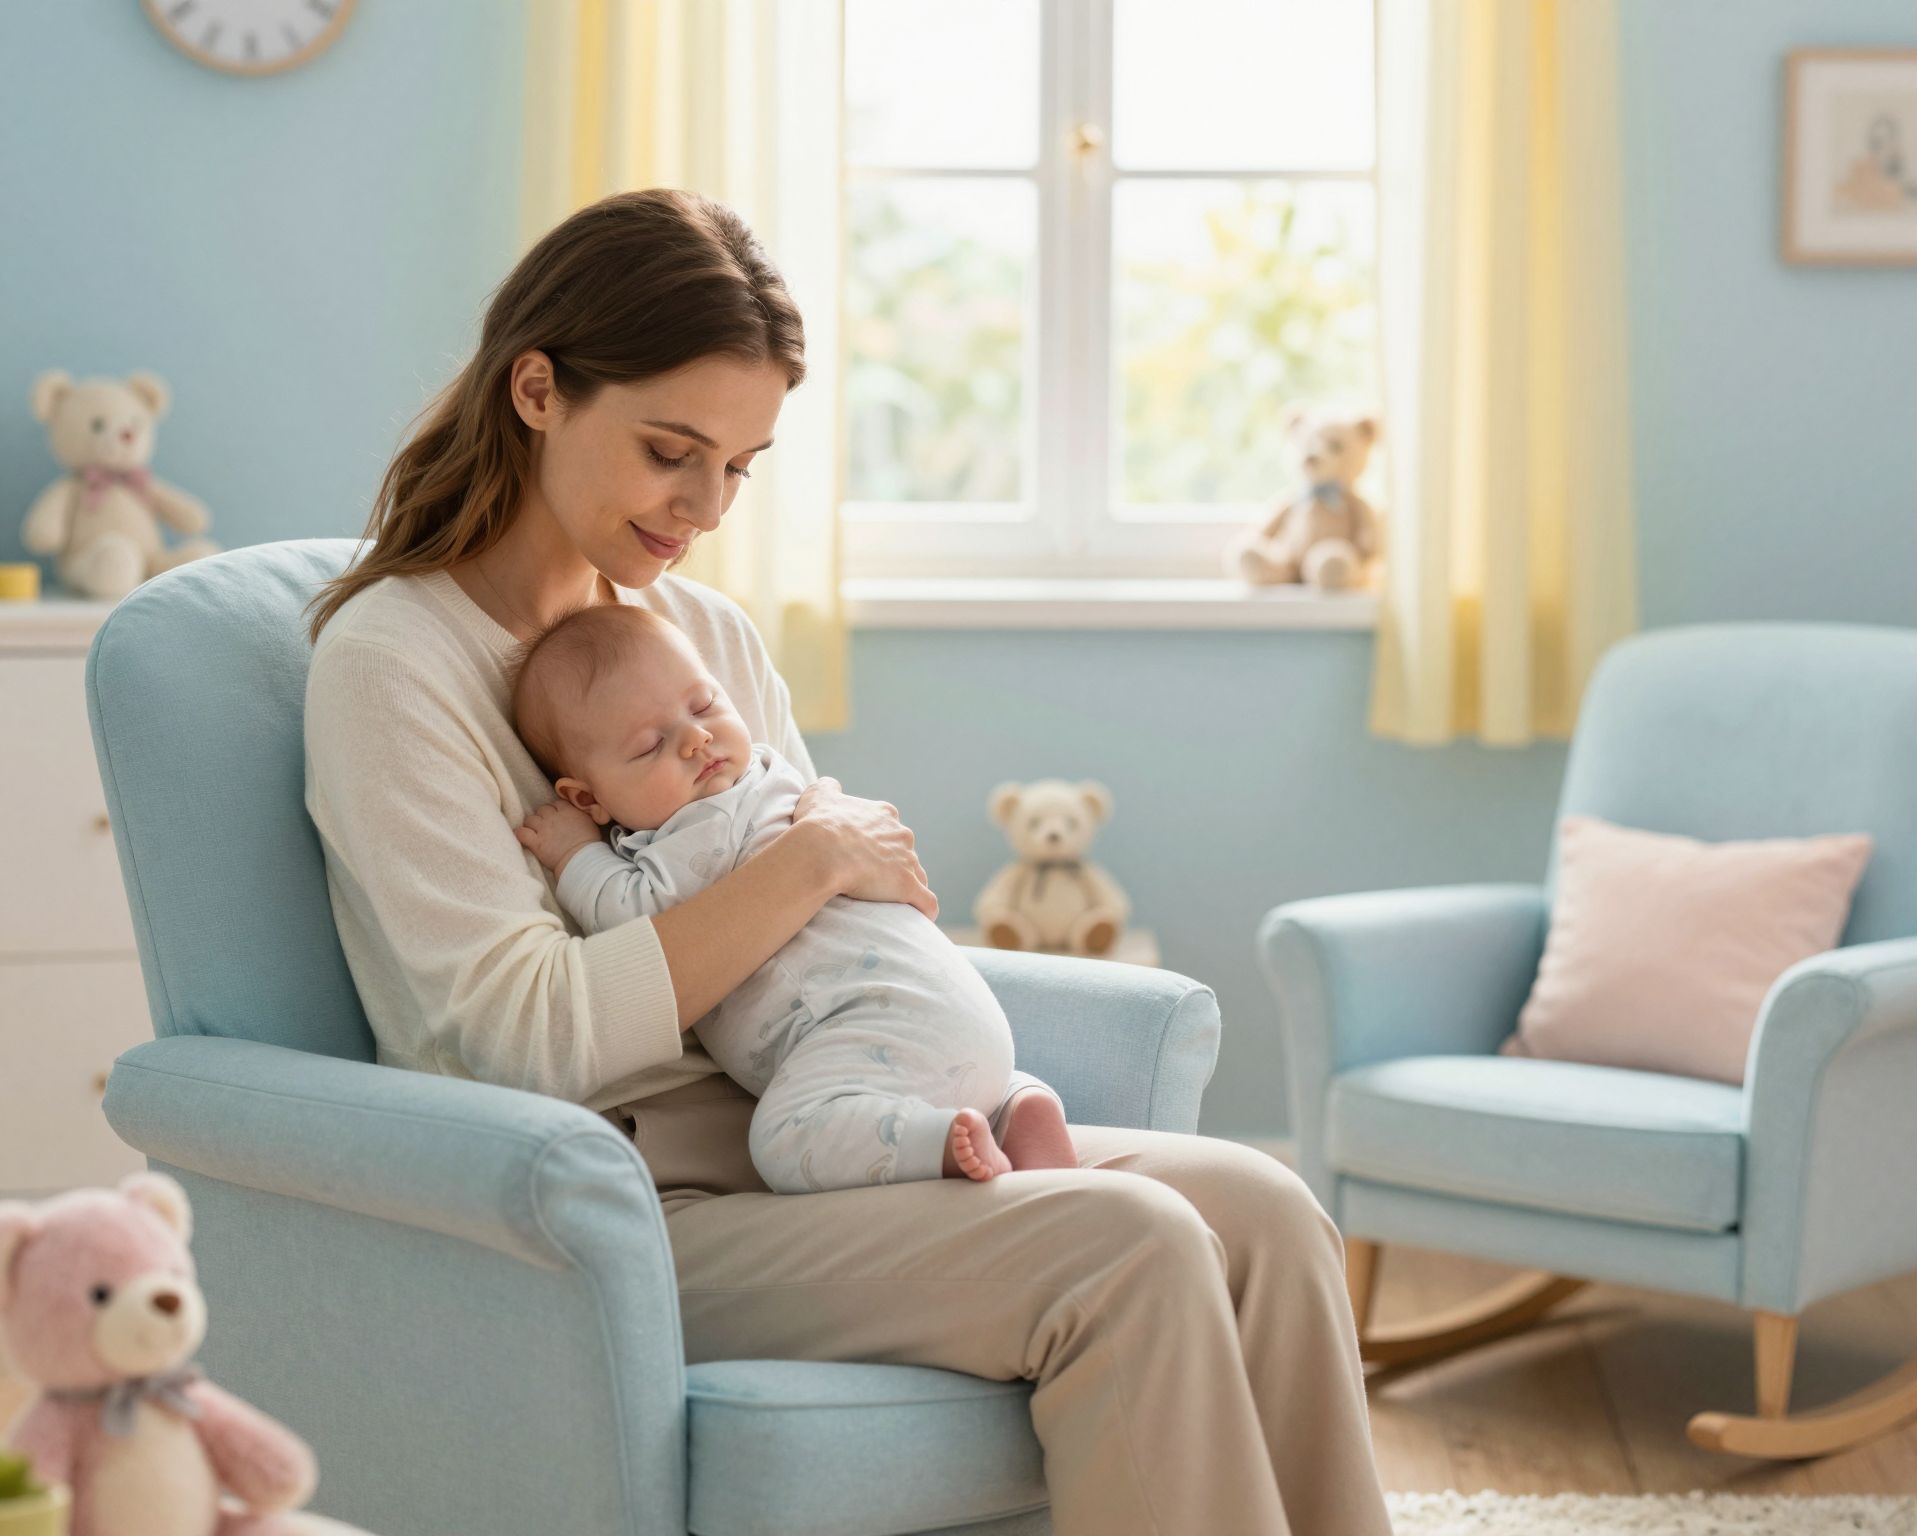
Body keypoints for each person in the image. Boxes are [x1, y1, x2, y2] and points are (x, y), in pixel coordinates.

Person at [300, 186, 1393, 1536]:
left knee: (1267, 1214)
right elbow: (519, 1033)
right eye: (670, 451)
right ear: (537, 389)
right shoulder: (391, 665)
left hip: (829, 1131)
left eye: (739, 466)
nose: (704, 504)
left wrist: (821, 894)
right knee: (1132, 1246)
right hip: (621, 1208)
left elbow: (848, 908)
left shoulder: (700, 633)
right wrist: (804, 867)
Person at [507, 600, 1075, 1188]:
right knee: (938, 1073)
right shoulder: (777, 781)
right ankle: (1012, 1103)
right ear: (586, 795)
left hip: (866, 1020)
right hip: (951, 1015)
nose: (697, 738)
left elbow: (634, 918)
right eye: (651, 745)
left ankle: (937, 1144)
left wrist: (576, 854)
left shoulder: (699, 828)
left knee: (784, 1137)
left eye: (704, 704)